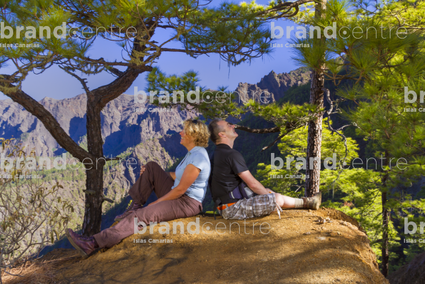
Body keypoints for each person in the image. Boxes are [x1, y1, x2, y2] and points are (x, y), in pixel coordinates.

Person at [66, 119, 211, 257]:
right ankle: (135, 205)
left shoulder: (198, 157)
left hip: (186, 202)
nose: (180, 133)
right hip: (178, 194)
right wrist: (154, 174)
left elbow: (180, 189)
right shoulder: (192, 153)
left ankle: (92, 243)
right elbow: (180, 176)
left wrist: (156, 203)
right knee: (151, 166)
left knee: (142, 216)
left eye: (184, 131)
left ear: (194, 135)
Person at [208, 118, 321, 220]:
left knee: (268, 192)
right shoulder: (231, 155)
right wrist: (269, 197)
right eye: (229, 125)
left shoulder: (216, 154)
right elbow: (252, 184)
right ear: (222, 134)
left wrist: (266, 193)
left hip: (225, 206)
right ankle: (307, 203)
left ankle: (308, 202)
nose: (233, 126)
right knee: (275, 198)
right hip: (233, 208)